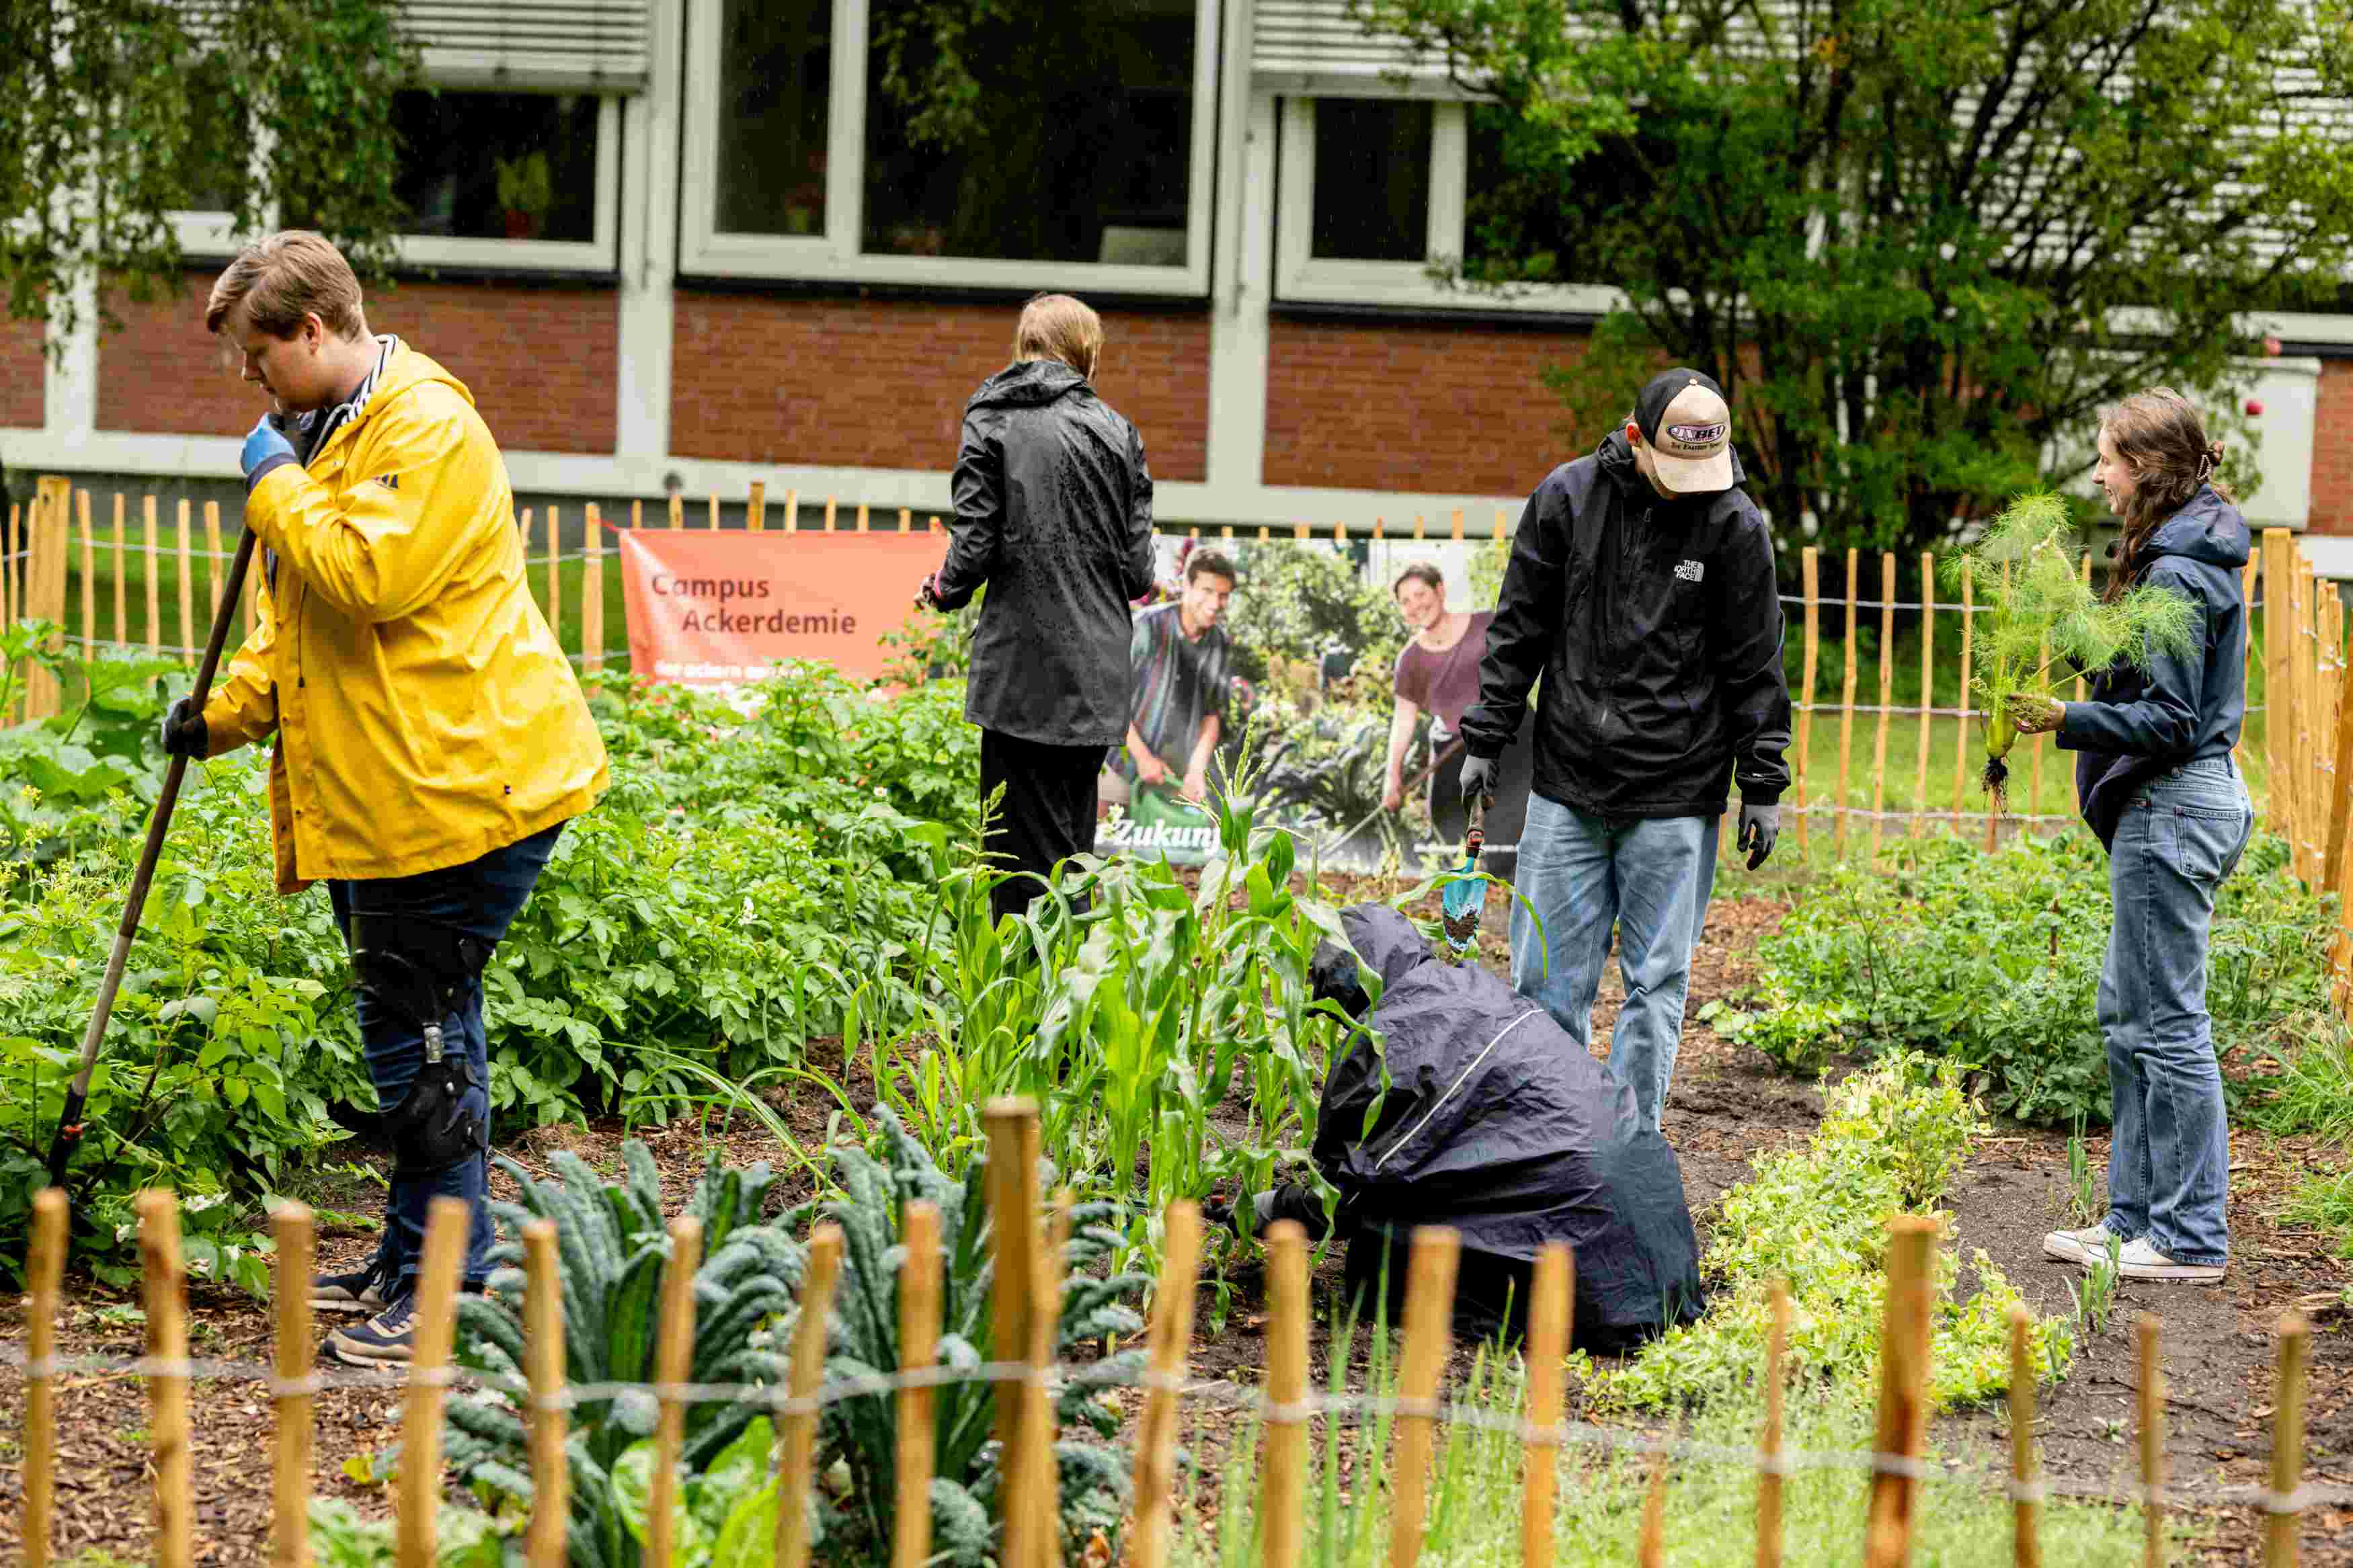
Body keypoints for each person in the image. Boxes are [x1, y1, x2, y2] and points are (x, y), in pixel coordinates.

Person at [161, 231, 608, 1364]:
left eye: (262, 361)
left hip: (460, 784)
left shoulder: (425, 426)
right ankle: (424, 1255)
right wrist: (222, 714)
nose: (252, 388)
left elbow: (368, 579)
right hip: (389, 791)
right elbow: (300, 624)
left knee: (422, 1039)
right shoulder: (332, 436)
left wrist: (274, 488)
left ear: (314, 330)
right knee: (422, 1023)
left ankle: (452, 1293)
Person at [1457, 368, 1791, 1134]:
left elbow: (1754, 662)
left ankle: (1629, 1149)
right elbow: (1518, 629)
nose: (1688, 488)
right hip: (1567, 781)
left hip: (1677, 791)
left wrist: (1761, 780)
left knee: (1656, 984)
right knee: (1544, 981)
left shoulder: (1734, 525)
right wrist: (1488, 732)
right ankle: (1549, 1133)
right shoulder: (1567, 500)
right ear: (1636, 439)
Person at [1206, 904, 1704, 1348]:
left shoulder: (1378, 1049)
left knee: (1380, 1262)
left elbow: (1345, 1200)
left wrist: (1264, 1209)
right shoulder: (1473, 986)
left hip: (1602, 1282)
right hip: (1665, 1249)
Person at [2017, 389, 2254, 1286]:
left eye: (2109, 459)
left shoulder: (2182, 571)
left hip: (2175, 807)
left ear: (2147, 470)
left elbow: (2171, 714)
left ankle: (2189, 1234)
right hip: (2171, 807)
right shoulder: (2171, 554)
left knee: (2169, 1025)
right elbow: (2132, 661)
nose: (2099, 474)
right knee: (2131, 1017)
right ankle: (2132, 1220)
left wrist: (2065, 715)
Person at [917, 293, 1156, 925]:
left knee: (1014, 860)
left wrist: (943, 589)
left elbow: (972, 546)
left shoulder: (992, 418)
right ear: (1086, 352)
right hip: (1097, 678)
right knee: (1072, 853)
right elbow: (1139, 574)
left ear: (1024, 347)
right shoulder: (1120, 432)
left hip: (1023, 677)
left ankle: (1024, 1009)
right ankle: (1065, 1009)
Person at [1380, 562, 1533, 856]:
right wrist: (1393, 776)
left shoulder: (1486, 625)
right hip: (1453, 748)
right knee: (1446, 827)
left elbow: (1523, 666)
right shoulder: (1410, 660)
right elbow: (1403, 720)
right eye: (1406, 601)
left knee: (1510, 829)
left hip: (1510, 742)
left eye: (1421, 594)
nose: (1415, 606)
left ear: (1440, 590)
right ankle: (1464, 896)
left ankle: (1512, 891)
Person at [1105, 550, 1236, 809]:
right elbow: (1110, 700)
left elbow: (1212, 715)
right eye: (1207, 591)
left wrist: (1197, 772)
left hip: (1172, 777)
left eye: (1223, 595)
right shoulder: (1145, 627)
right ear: (1187, 585)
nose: (1215, 602)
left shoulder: (1219, 643)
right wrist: (1142, 758)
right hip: (1118, 765)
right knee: (1101, 843)